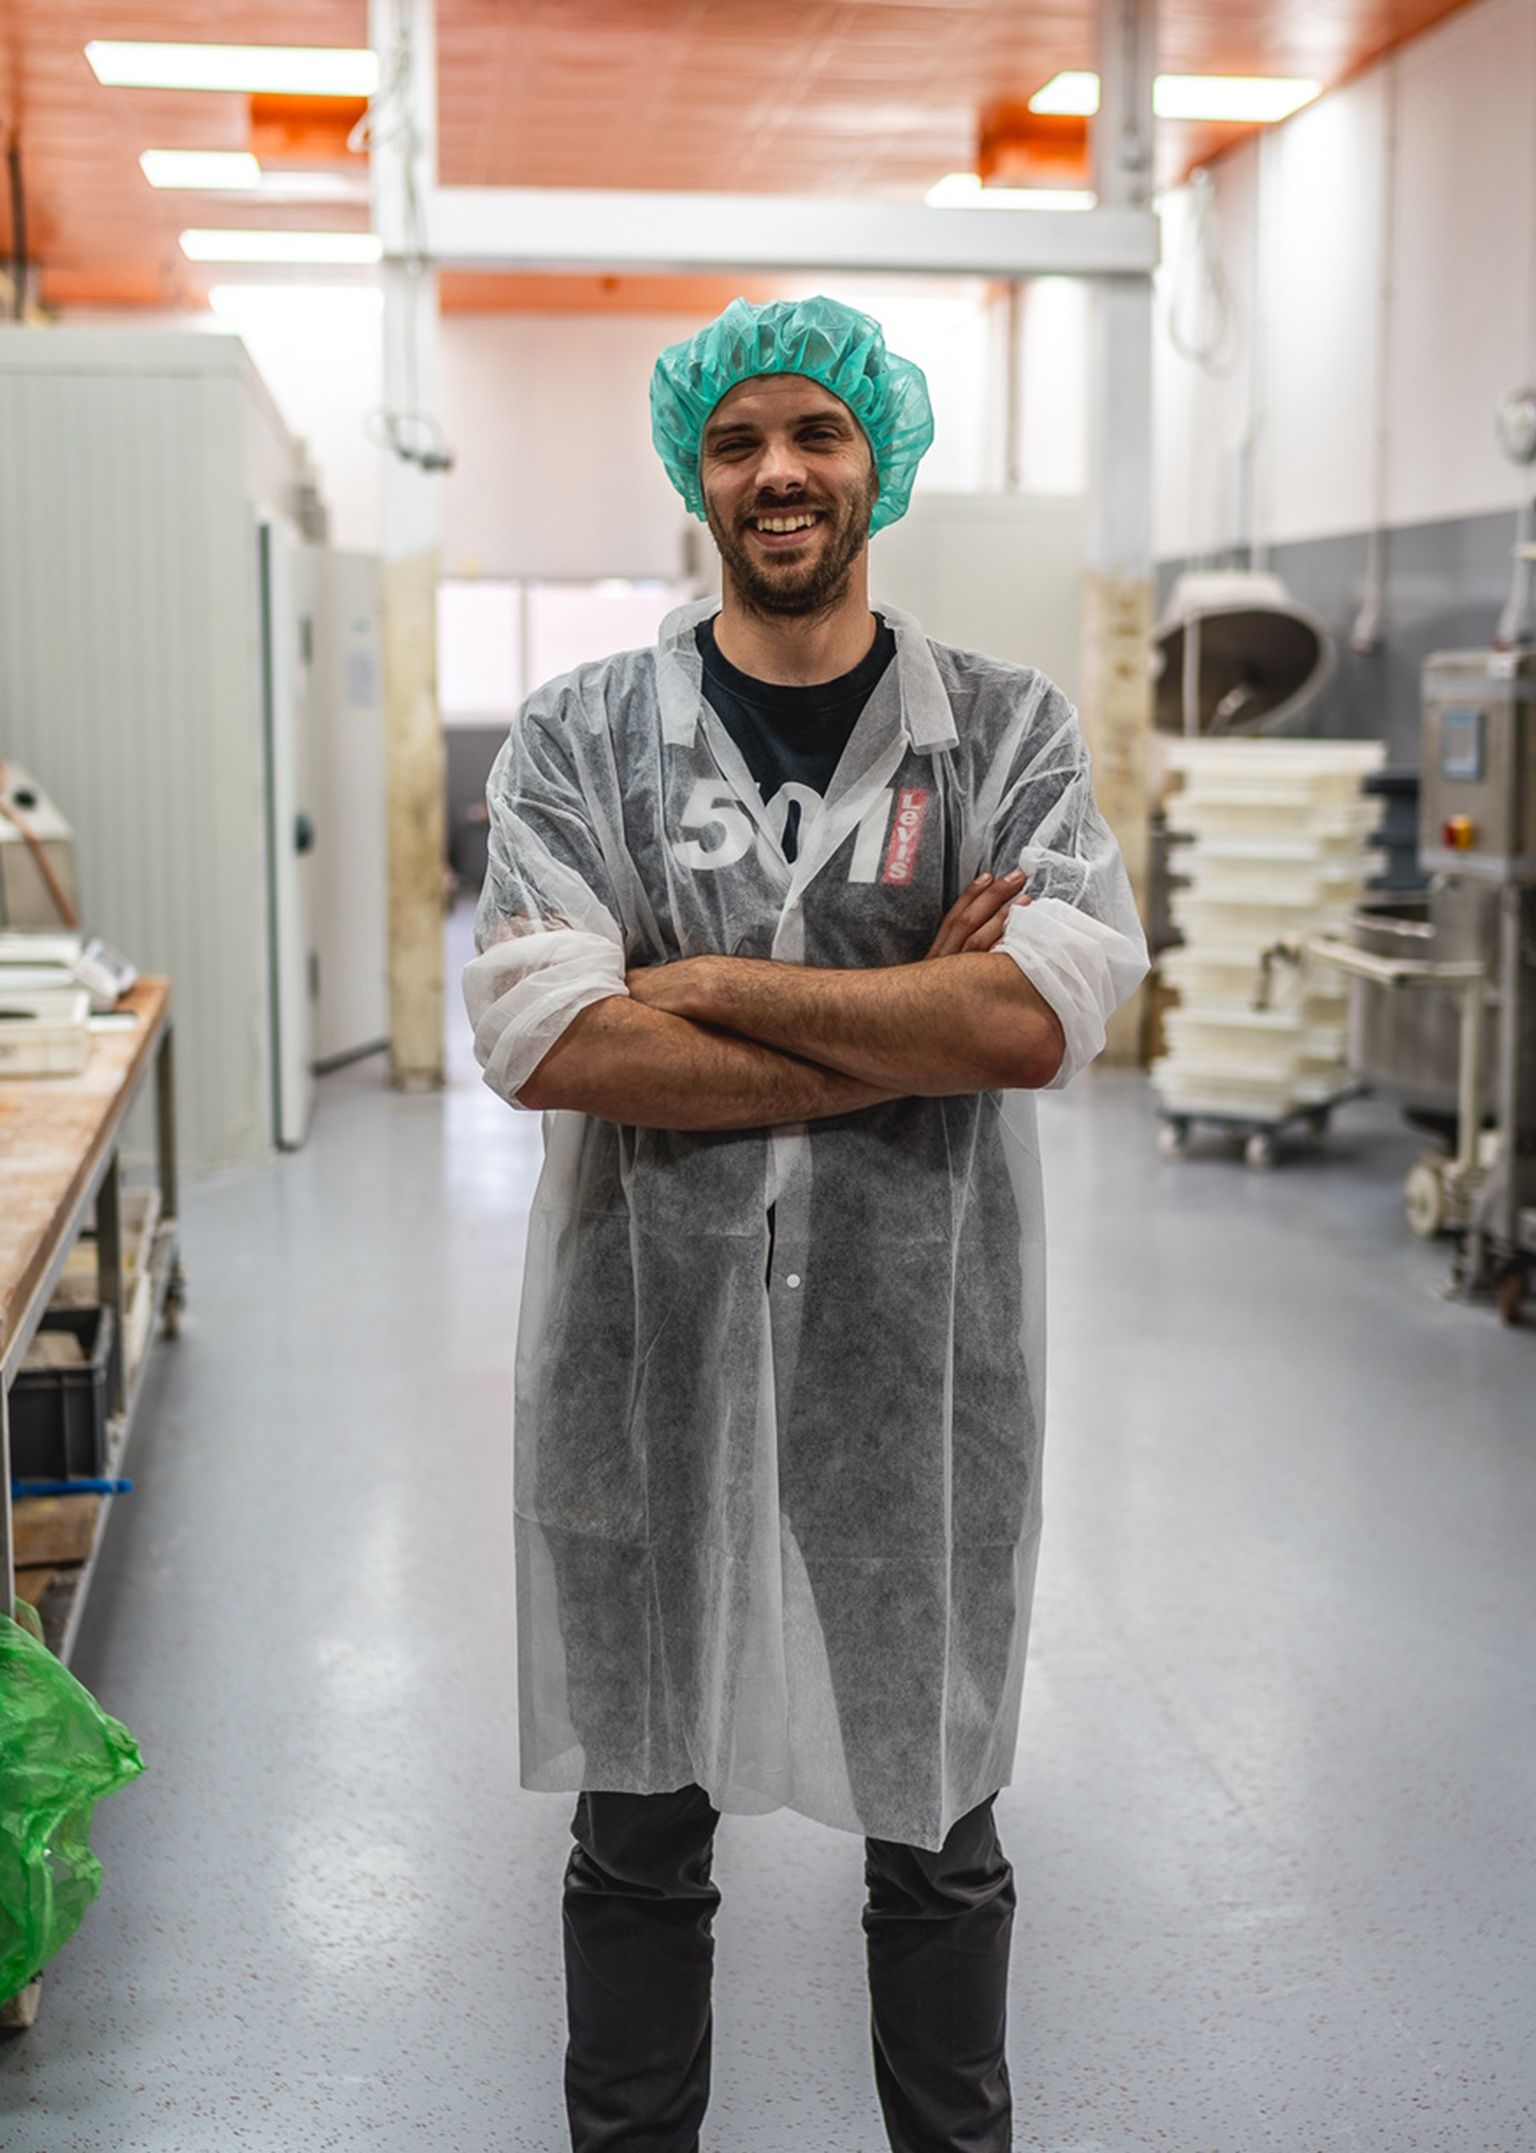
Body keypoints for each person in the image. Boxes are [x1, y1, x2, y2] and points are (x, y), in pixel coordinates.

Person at [464, 294, 1150, 2153]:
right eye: (740, 440)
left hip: (916, 1362)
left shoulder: (1003, 730)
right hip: (641, 1355)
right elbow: (550, 1041)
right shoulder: (580, 735)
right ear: (697, 474)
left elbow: (1036, 1017)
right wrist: (904, 1027)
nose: (779, 471)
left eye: (816, 434)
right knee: (637, 1829)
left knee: (938, 1827)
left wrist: (698, 987)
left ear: (878, 464)